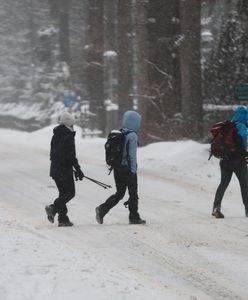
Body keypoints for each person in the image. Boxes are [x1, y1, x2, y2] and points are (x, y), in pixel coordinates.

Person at [95, 110, 146, 225]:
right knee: (133, 194)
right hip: (128, 169)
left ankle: (102, 209)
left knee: (119, 193)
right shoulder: (132, 135)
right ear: (135, 122)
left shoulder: (120, 132)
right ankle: (134, 217)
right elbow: (132, 156)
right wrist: (133, 171)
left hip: (117, 169)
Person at [45, 111, 84, 226]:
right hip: (64, 171)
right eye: (72, 124)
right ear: (69, 124)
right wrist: (78, 169)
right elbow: (71, 156)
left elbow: (55, 154)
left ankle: (63, 219)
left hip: (55, 170)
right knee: (70, 193)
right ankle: (53, 207)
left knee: (63, 194)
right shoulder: (68, 136)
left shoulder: (56, 135)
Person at [212, 106, 248, 218]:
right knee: (245, 185)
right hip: (237, 161)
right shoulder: (241, 126)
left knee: (223, 184)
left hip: (224, 160)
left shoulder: (227, 125)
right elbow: (244, 141)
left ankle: (216, 207)